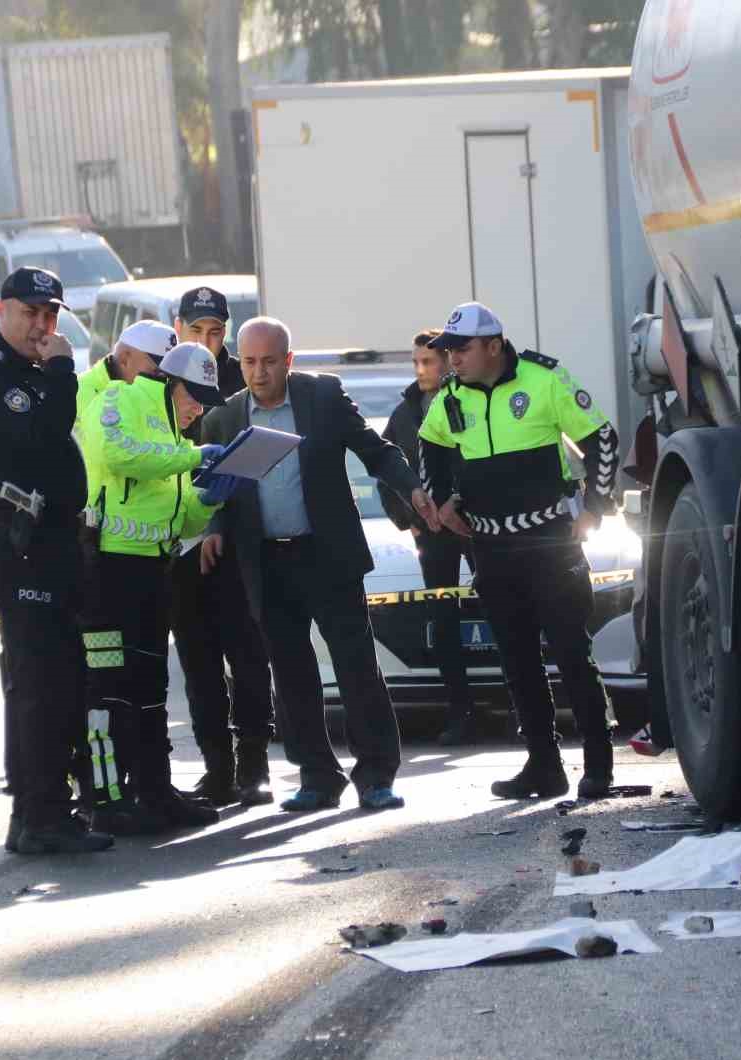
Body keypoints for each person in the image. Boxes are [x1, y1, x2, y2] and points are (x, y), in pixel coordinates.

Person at [200, 317, 439, 811]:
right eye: (248, 363)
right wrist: (214, 529)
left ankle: (375, 775)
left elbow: (377, 451)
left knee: (356, 668)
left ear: (287, 360)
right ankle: (316, 777)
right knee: (291, 674)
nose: (259, 373)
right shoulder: (223, 420)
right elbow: (217, 494)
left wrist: (411, 488)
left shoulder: (322, 398)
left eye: (269, 362)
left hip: (326, 556)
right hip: (266, 561)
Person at [417, 301, 620, 800]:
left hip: (550, 543)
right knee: (517, 660)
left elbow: (602, 439)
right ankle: (544, 766)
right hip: (490, 547)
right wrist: (441, 500)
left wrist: (596, 507)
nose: (453, 359)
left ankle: (598, 764)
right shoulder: (450, 397)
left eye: (461, 349)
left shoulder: (545, 379)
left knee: (572, 654)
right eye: (449, 351)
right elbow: (431, 447)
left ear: (493, 345)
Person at [0, 266, 111, 856]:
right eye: (30, 313)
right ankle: (41, 816)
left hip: (51, 542)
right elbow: (44, 432)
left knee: (56, 679)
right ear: (1, 311)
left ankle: (39, 808)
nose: (42, 325)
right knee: (39, 683)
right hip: (22, 543)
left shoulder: (29, 371)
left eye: (50, 314)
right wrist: (62, 369)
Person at [77, 325, 236, 834]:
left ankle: (155, 789)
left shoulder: (175, 436)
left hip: (152, 571)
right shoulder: (119, 397)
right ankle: (104, 798)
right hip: (104, 572)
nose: (200, 412)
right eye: (196, 399)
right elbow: (116, 455)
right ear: (173, 385)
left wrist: (207, 499)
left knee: (150, 688)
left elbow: (181, 521)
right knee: (105, 688)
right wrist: (193, 459)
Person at [169, 286, 275, 805]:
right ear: (177, 326)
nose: (207, 342)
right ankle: (217, 766)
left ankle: (254, 765)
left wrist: (219, 524)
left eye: (216, 332)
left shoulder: (241, 381)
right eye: (196, 330)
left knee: (248, 657)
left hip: (234, 543)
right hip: (178, 546)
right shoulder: (159, 380)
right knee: (198, 662)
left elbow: (253, 464)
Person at [379, 328, 478, 745]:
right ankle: (461, 713)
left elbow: (482, 458)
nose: (422, 368)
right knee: (443, 620)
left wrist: (465, 505)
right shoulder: (404, 414)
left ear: (447, 362)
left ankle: (522, 708)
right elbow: (385, 467)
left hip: (475, 526)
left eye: (430, 360)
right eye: (416, 360)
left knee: (507, 612)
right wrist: (410, 519)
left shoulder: (468, 401)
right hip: (432, 533)